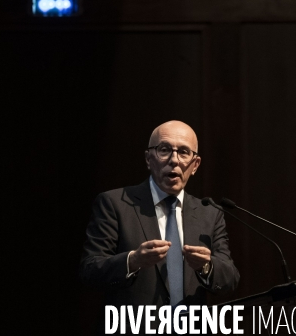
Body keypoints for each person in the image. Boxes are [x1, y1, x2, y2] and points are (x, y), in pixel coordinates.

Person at [79, 120, 239, 332]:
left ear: (195, 165)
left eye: (183, 152)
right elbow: (89, 270)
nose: (173, 160)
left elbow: (230, 279)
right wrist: (132, 260)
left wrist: (206, 267)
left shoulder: (210, 213)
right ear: (148, 158)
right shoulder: (114, 204)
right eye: (164, 150)